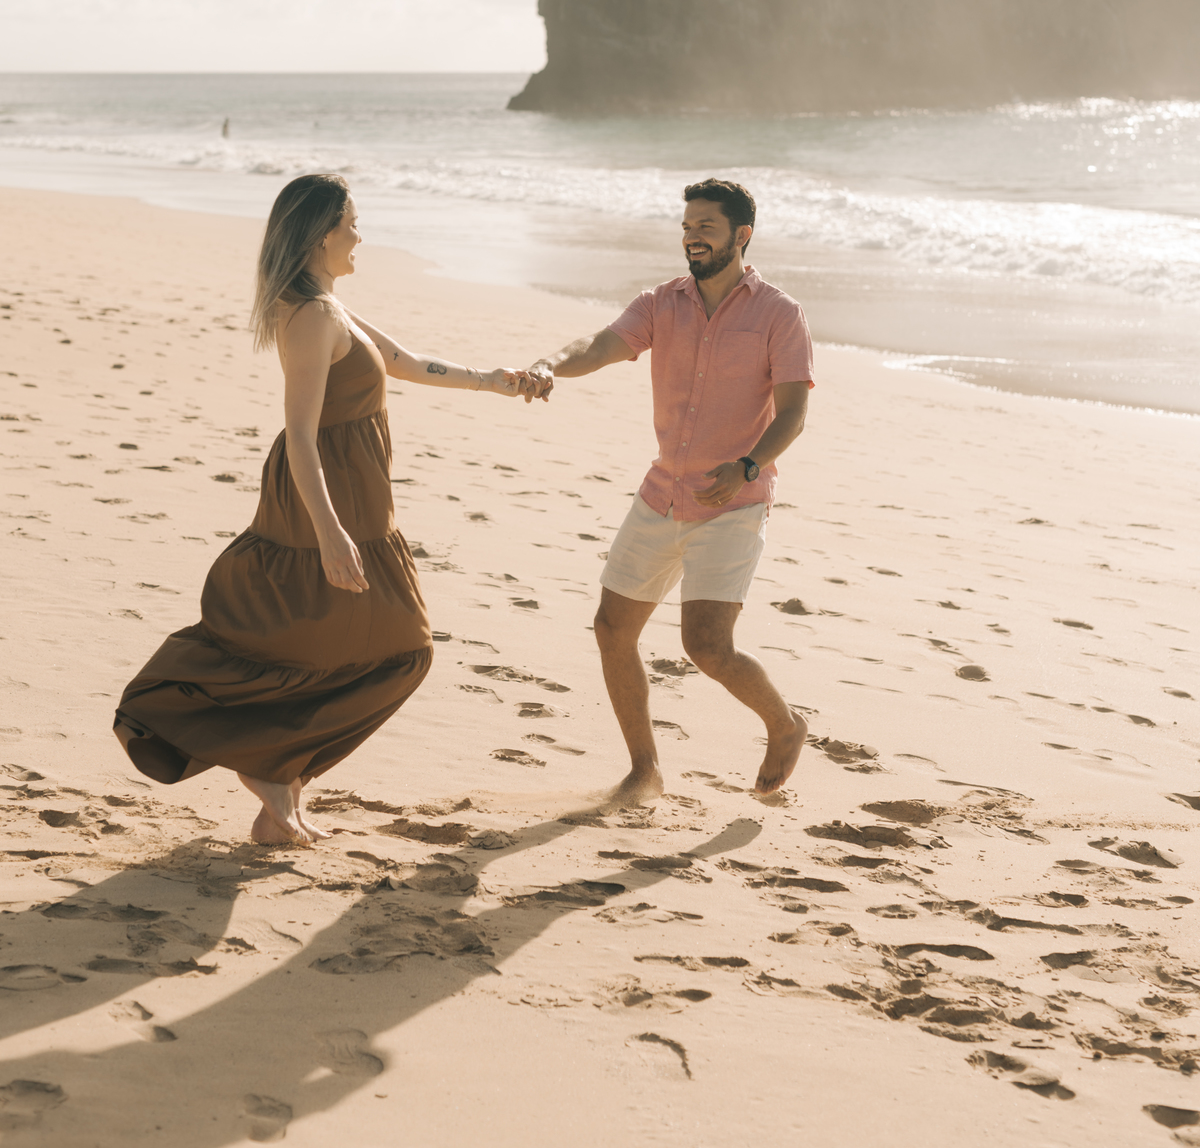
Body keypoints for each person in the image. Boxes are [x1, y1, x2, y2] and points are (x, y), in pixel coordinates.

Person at [114, 172, 534, 847]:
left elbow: (404, 361)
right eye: (351, 224)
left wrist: (493, 381)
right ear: (320, 234)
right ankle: (260, 765)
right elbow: (301, 434)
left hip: (357, 494)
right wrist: (331, 532)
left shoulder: (328, 304)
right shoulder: (311, 316)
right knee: (402, 648)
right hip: (327, 496)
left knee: (333, 642)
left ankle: (279, 787)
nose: (360, 235)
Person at [527, 178, 813, 804]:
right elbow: (599, 345)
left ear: (741, 236)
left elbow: (792, 413)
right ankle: (643, 769)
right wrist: (551, 364)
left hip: (733, 502)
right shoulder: (662, 302)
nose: (692, 238)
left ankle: (785, 725)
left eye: (706, 228)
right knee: (612, 628)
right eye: (687, 227)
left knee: (706, 646)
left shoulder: (780, 314)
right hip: (661, 494)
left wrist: (746, 466)